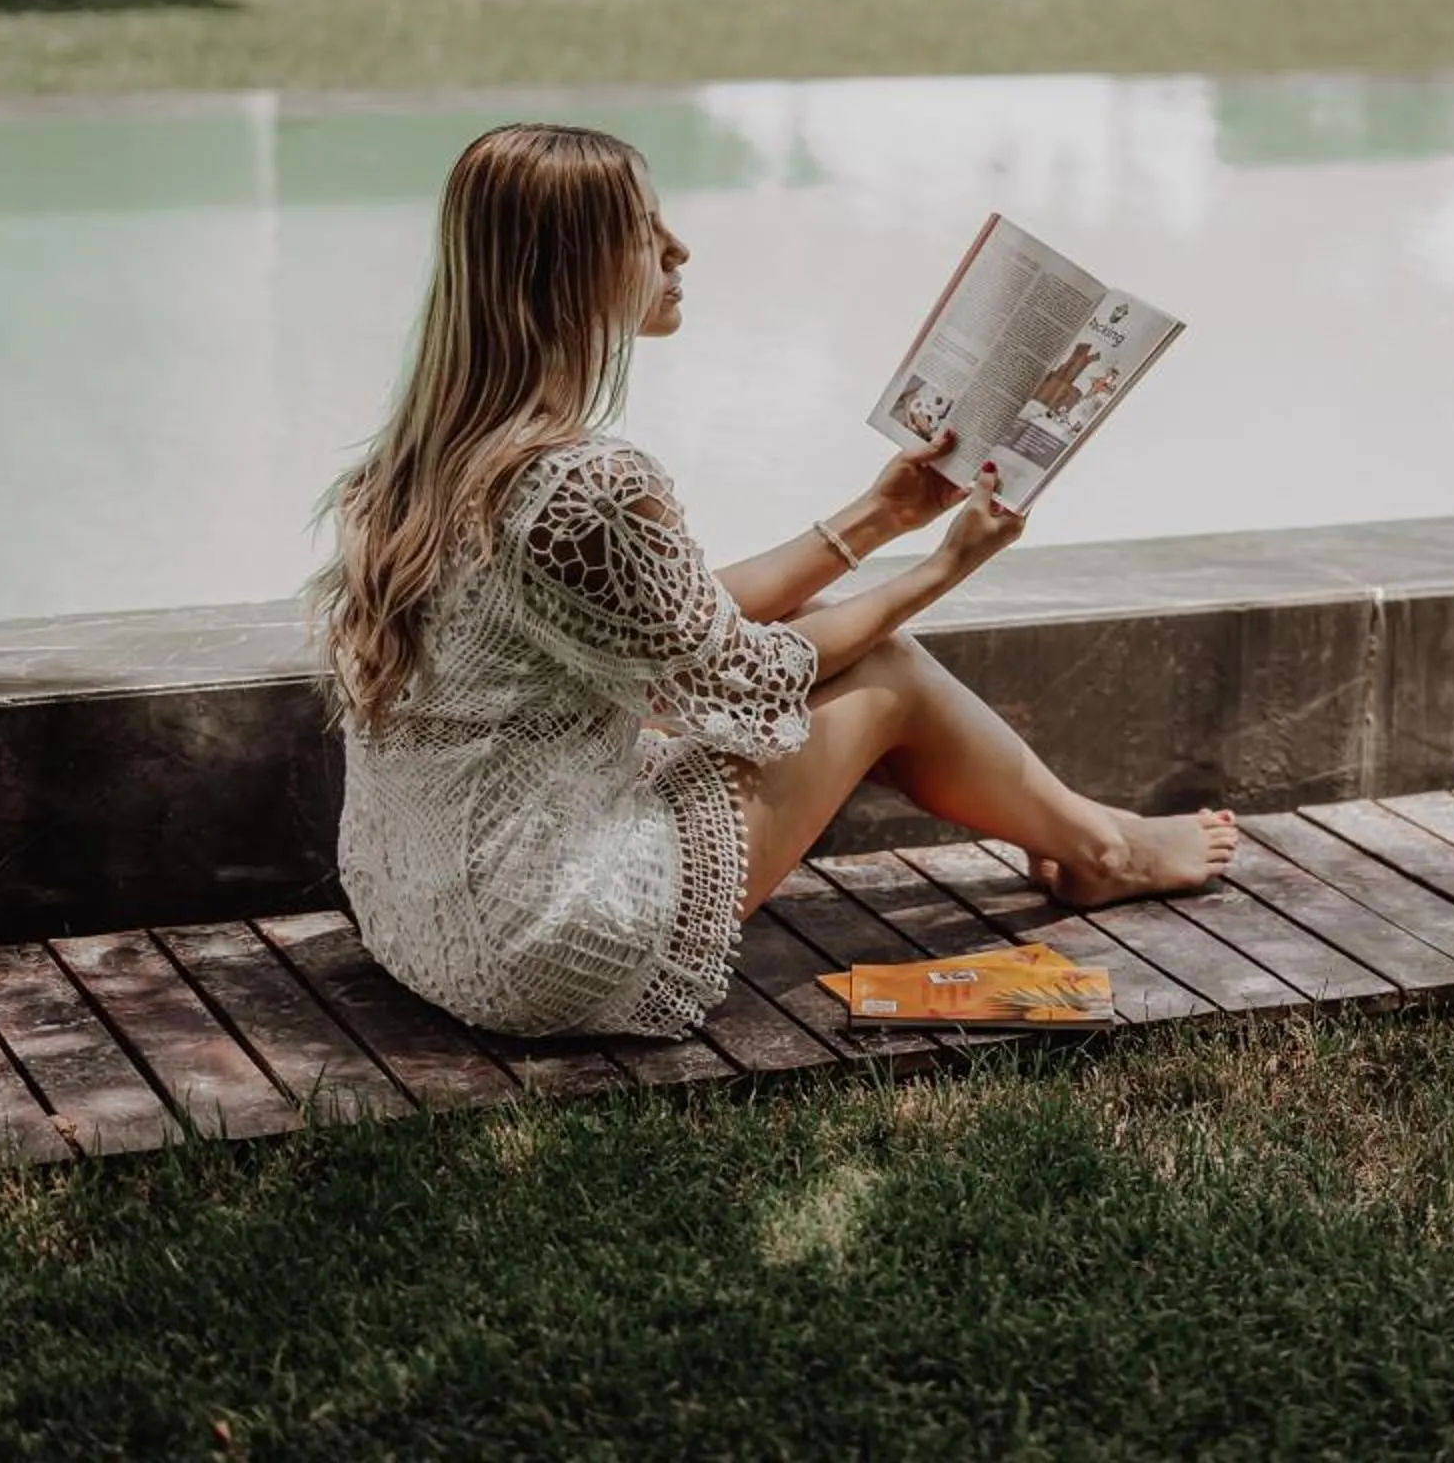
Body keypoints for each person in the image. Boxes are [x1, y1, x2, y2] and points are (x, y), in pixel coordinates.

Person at [307, 123, 1238, 1040]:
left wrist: (879, 516)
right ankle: (1103, 850)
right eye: (643, 229)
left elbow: (677, 624)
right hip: (542, 942)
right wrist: (947, 564)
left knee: (836, 623)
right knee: (890, 675)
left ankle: (1087, 831)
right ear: (568, 267)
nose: (679, 248)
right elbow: (740, 671)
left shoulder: (414, 463)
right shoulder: (589, 484)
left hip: (419, 911)